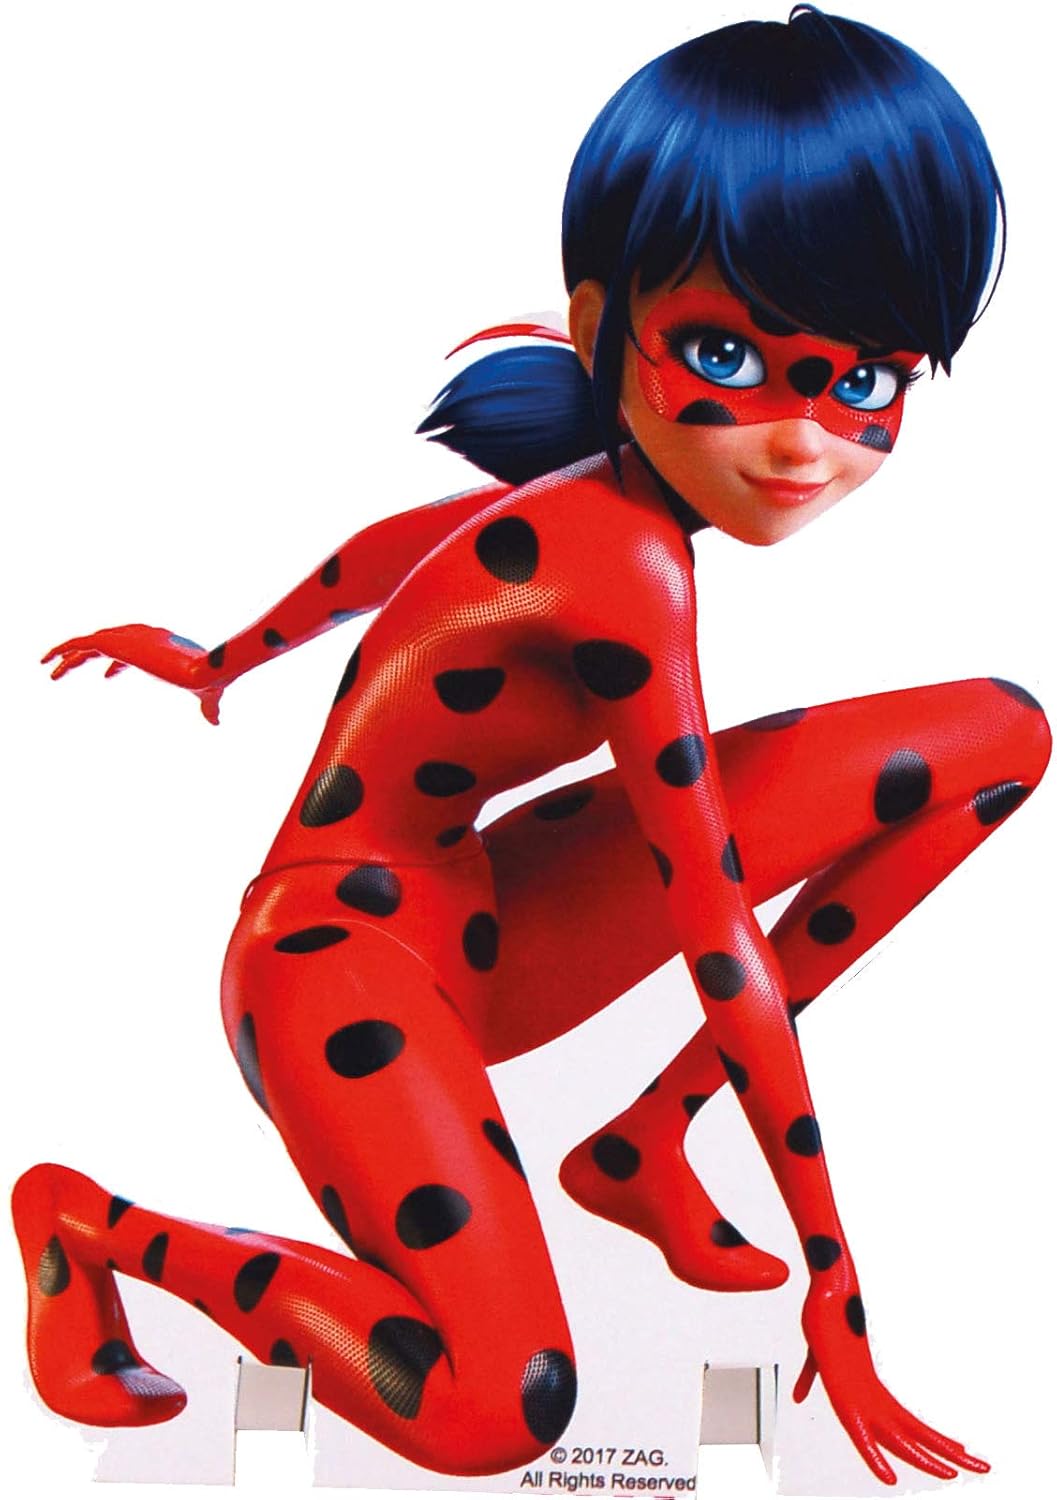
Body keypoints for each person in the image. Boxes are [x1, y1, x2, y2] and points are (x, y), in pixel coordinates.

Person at [13, 6, 1049, 1486]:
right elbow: (717, 934)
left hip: (492, 904)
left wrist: (221, 656)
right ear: (596, 320)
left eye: (863, 381)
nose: (800, 442)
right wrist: (837, 1285)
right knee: (495, 1408)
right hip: (333, 960)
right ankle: (88, 1225)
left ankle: (636, 1147)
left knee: (1001, 736)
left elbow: (402, 552)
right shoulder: (628, 568)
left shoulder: (595, 498)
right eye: (725, 353)